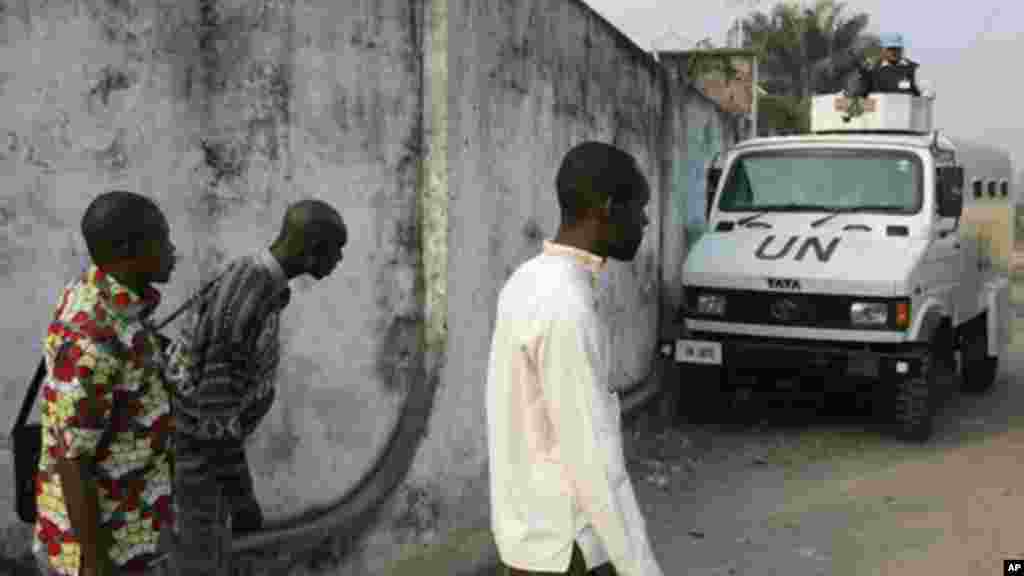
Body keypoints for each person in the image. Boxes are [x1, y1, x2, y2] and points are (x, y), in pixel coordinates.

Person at [485, 141, 664, 576]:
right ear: (605, 208)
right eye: (638, 207)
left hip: (532, 539)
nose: (644, 220)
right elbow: (593, 455)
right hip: (567, 549)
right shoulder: (566, 302)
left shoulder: (529, 281)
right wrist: (639, 567)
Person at [167, 198, 347, 576]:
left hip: (207, 458)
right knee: (200, 563)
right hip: (202, 462)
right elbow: (215, 417)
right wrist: (242, 499)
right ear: (313, 248)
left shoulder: (261, 283)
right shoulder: (249, 295)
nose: (339, 261)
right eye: (335, 250)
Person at [33, 190, 179, 576]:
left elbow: (115, 381)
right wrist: (95, 563)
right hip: (104, 550)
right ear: (127, 251)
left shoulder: (103, 295)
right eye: (162, 240)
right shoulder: (94, 338)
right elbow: (73, 458)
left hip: (135, 528)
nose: (173, 250)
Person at [854, 32, 921, 97]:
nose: (894, 52)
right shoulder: (872, 70)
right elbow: (861, 95)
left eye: (897, 48)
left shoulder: (914, 68)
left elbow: (920, 94)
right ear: (882, 49)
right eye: (890, 49)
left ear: (902, 49)